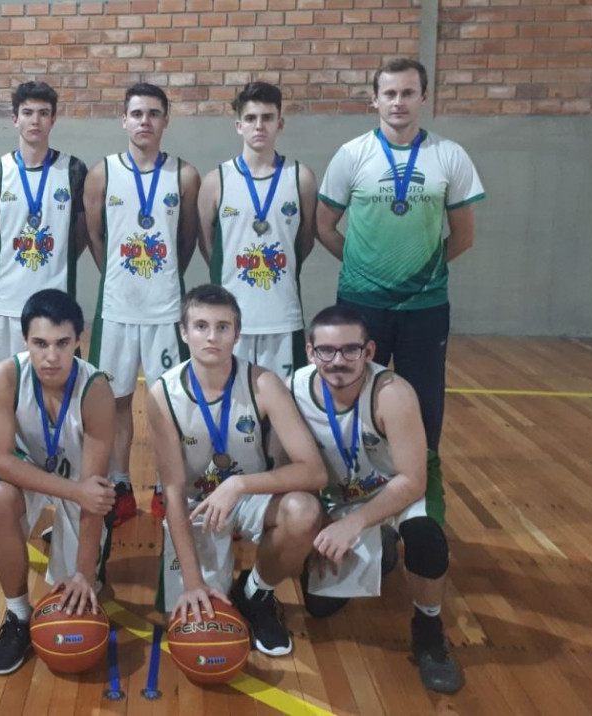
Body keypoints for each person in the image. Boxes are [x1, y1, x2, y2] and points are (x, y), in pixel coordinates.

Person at [316, 58, 485, 526]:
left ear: (423, 98)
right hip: (359, 307)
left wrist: (419, 275)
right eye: (389, 94)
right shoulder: (351, 155)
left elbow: (464, 235)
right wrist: (363, 270)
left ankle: (419, 511)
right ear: (374, 99)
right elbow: (324, 225)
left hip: (424, 308)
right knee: (350, 401)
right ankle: (347, 501)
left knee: (425, 407)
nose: (398, 102)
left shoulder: (450, 156)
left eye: (408, 93)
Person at [289, 304, 463, 693]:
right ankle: (382, 547)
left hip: (398, 486)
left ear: (369, 352)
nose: (338, 361)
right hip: (341, 494)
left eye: (351, 350)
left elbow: (414, 480)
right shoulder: (294, 390)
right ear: (310, 351)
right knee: (319, 607)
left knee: (425, 538)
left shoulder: (392, 394)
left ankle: (429, 630)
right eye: (327, 351)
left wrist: (354, 523)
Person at [146, 284, 326, 656]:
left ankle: (257, 592)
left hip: (250, 496)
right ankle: (203, 579)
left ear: (237, 333)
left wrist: (239, 485)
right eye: (200, 326)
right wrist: (193, 581)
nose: (212, 336)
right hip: (196, 504)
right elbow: (174, 491)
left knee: (305, 512)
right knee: (193, 621)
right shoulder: (162, 394)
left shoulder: (262, 384)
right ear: (183, 332)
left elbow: (314, 472)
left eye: (223, 327)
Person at [0, 81, 89, 524]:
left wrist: (49, 271)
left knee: (64, 388)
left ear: (54, 119)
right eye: (27, 113)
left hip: (56, 305)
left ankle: (64, 471)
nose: (35, 121)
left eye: (43, 113)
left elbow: (78, 238)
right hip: (7, 302)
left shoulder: (75, 171)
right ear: (14, 119)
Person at [0, 289, 116, 675]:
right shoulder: (7, 374)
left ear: (78, 341)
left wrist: (84, 573)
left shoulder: (96, 390)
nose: (51, 356)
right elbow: (0, 460)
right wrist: (73, 492)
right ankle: (18, 616)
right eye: (40, 343)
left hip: (80, 481)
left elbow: (96, 493)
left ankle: (84, 562)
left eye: (62, 344)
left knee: (72, 588)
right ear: (25, 341)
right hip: (30, 474)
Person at [84, 82, 201, 524]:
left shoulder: (184, 175)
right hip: (116, 307)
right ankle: (119, 484)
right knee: (113, 401)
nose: (145, 121)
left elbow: (188, 239)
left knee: (168, 402)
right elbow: (96, 237)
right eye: (137, 113)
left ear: (166, 120)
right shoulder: (103, 173)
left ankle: (166, 486)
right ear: (124, 119)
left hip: (165, 309)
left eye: (154, 113)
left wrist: (164, 276)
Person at [198, 81, 318, 380]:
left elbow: (304, 242)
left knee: (284, 407)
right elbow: (207, 244)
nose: (259, 126)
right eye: (251, 118)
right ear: (238, 125)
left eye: (267, 117)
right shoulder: (216, 180)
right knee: (230, 402)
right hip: (231, 320)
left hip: (283, 316)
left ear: (281, 123)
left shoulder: (300, 177)